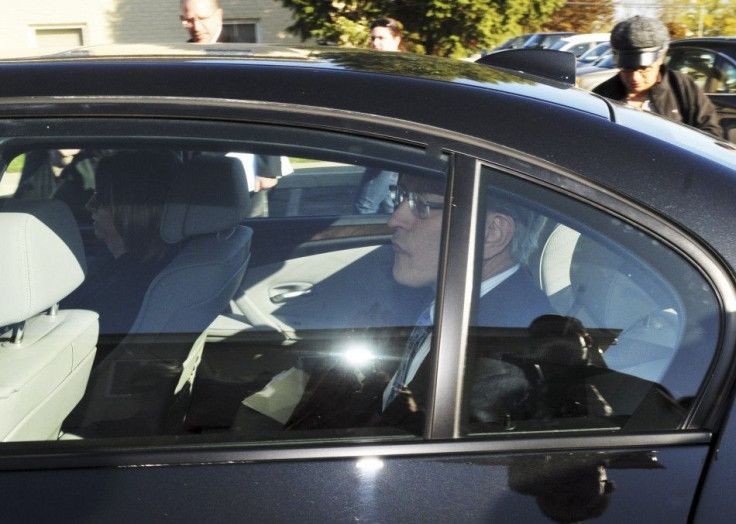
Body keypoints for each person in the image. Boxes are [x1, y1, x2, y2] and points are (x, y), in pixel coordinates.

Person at [283, 173, 553, 432]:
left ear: (491, 233)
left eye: (420, 206)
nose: (394, 219)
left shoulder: (502, 364)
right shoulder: (443, 296)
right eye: (401, 196)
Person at [63, 151, 179, 336]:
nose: (89, 206)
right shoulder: (119, 257)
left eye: (100, 198)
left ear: (128, 208)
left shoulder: (126, 293)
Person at [593, 16, 723, 138]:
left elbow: (711, 132)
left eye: (644, 69)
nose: (635, 78)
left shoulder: (682, 86)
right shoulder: (603, 96)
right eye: (627, 69)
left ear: (660, 58)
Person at [353, 17, 405, 214]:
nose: (375, 43)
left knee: (364, 206)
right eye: (372, 38)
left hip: (390, 146)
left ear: (397, 40)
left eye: (381, 38)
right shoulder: (377, 68)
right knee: (389, 206)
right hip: (379, 145)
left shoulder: (400, 70)